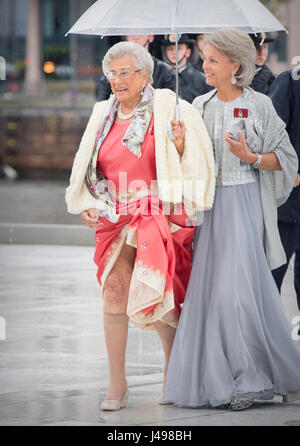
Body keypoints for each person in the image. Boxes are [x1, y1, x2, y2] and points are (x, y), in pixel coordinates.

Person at [65, 41, 215, 411]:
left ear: (145, 74)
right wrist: (87, 203)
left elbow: (195, 162)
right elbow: (87, 168)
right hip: (114, 214)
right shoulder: (103, 113)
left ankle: (171, 371)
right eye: (111, 73)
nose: (116, 80)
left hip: (157, 214)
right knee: (114, 291)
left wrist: (179, 145)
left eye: (124, 72)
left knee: (160, 293)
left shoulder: (170, 108)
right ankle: (118, 384)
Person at [163, 28, 300, 411]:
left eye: (212, 60)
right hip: (210, 209)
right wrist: (180, 144)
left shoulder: (260, 105)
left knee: (235, 294)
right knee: (209, 295)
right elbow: (193, 161)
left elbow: (286, 159)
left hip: (244, 204)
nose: (203, 65)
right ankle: (227, 376)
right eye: (204, 58)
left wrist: (250, 156)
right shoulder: (199, 105)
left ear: (235, 65)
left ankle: (252, 378)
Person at [270, 69, 300, 321]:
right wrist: (292, 169)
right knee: (274, 272)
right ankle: (267, 332)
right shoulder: (290, 81)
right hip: (288, 200)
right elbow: (273, 131)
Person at [95, 35, 176, 100]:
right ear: (126, 37)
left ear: (151, 37)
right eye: (131, 32)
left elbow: (170, 106)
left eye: (140, 32)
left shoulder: (166, 72)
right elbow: (102, 106)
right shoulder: (112, 72)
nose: (135, 37)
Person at [161, 34, 212, 104]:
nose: (174, 52)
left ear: (188, 52)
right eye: (170, 48)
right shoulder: (159, 77)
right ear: (165, 52)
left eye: (179, 48)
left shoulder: (202, 80)